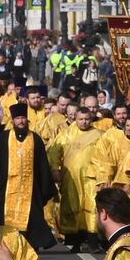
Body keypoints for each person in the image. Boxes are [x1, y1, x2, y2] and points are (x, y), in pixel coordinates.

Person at [0, 101, 58, 251]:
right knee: (4, 216)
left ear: (26, 119)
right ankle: (7, 244)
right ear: (13, 121)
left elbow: (42, 165)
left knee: (32, 217)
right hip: (7, 187)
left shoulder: (35, 139)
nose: (21, 121)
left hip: (31, 189)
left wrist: (45, 188)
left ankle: (31, 246)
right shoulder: (4, 138)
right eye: (17, 119)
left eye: (23, 118)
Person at [49, 103, 106, 251]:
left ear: (91, 119)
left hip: (91, 178)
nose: (84, 122)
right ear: (76, 119)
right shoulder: (66, 134)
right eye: (81, 119)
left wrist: (103, 176)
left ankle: (92, 241)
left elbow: (105, 157)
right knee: (72, 205)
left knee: (91, 207)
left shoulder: (99, 135)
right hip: (71, 178)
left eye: (87, 119)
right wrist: (55, 168)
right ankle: (74, 241)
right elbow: (54, 151)